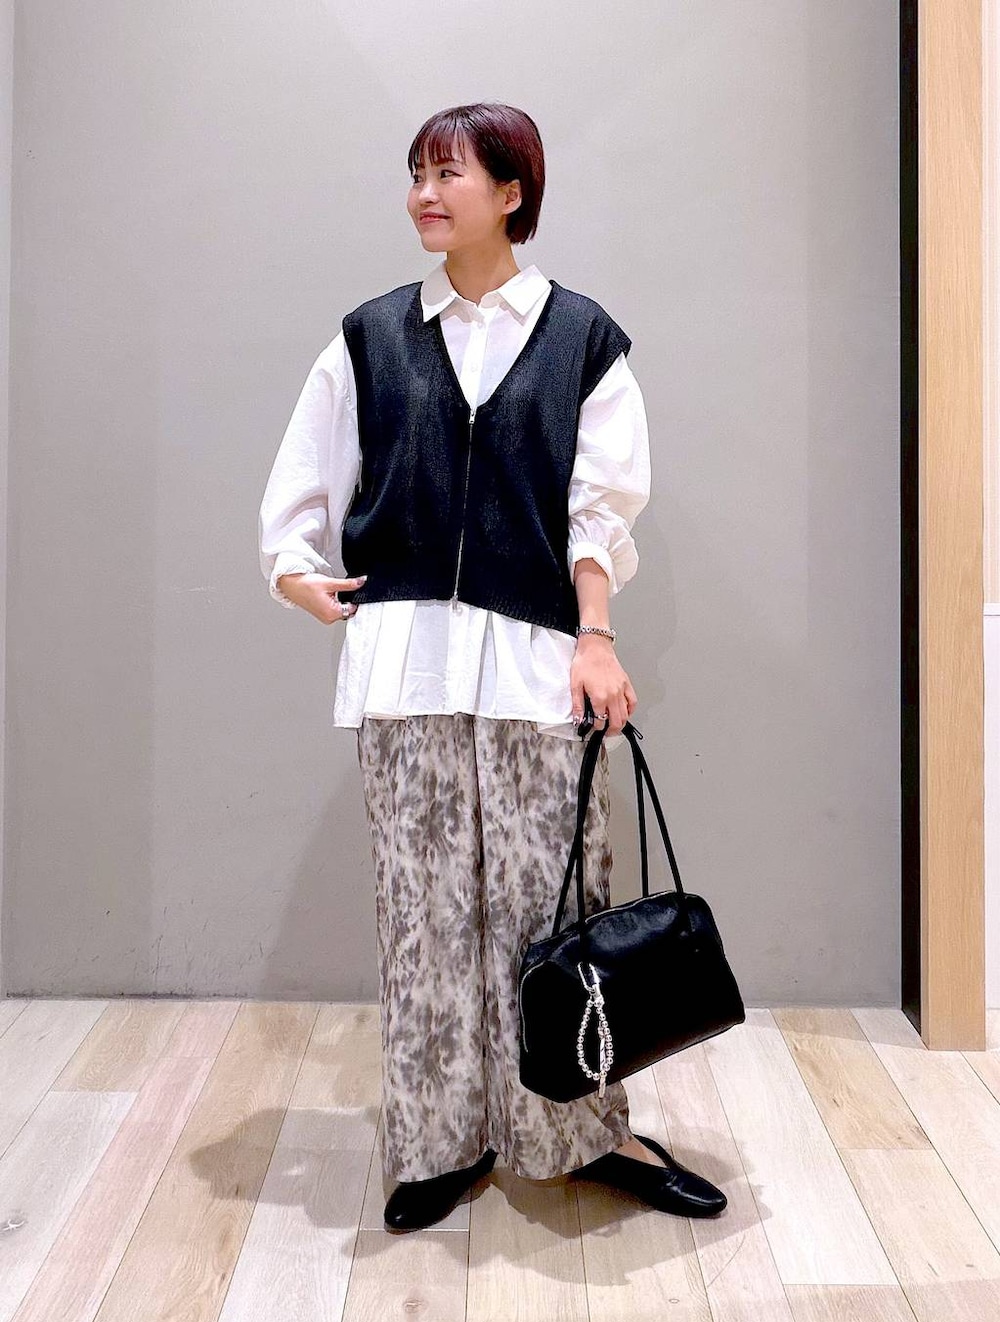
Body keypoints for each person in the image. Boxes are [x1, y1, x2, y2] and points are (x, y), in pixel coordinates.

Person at [258, 102, 727, 1232]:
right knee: (421, 914)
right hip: (406, 664)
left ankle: (577, 1132)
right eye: (415, 173)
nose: (424, 193)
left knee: (552, 914)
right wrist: (293, 571)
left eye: (448, 173)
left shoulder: (583, 339)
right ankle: (438, 1143)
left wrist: (596, 636)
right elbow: (305, 479)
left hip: (534, 662)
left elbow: (599, 508)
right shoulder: (370, 336)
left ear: (511, 192)